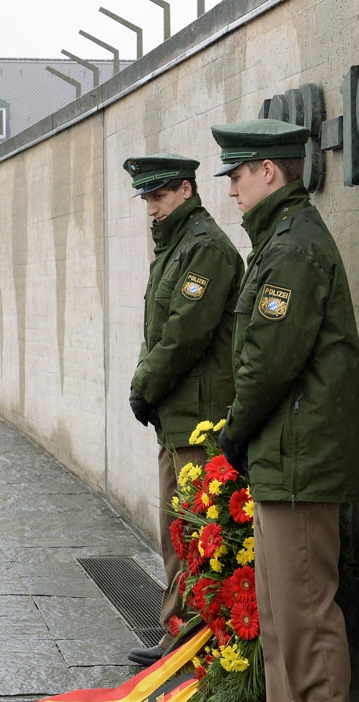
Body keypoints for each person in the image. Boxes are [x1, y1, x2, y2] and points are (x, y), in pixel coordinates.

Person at [210, 119, 359, 702]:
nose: (234, 192)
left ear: (269, 171)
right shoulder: (280, 240)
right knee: (279, 607)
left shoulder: (295, 248)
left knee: (305, 605)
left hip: (302, 456)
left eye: (238, 177)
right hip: (284, 452)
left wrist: (235, 428)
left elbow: (268, 361)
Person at [121, 153, 244, 666]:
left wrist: (144, 385)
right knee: (177, 530)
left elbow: (183, 334)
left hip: (199, 419)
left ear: (187, 191)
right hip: (177, 417)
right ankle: (177, 634)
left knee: (197, 534)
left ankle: (195, 639)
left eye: (159, 196)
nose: (152, 208)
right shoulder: (177, 247)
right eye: (148, 198)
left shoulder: (206, 250)